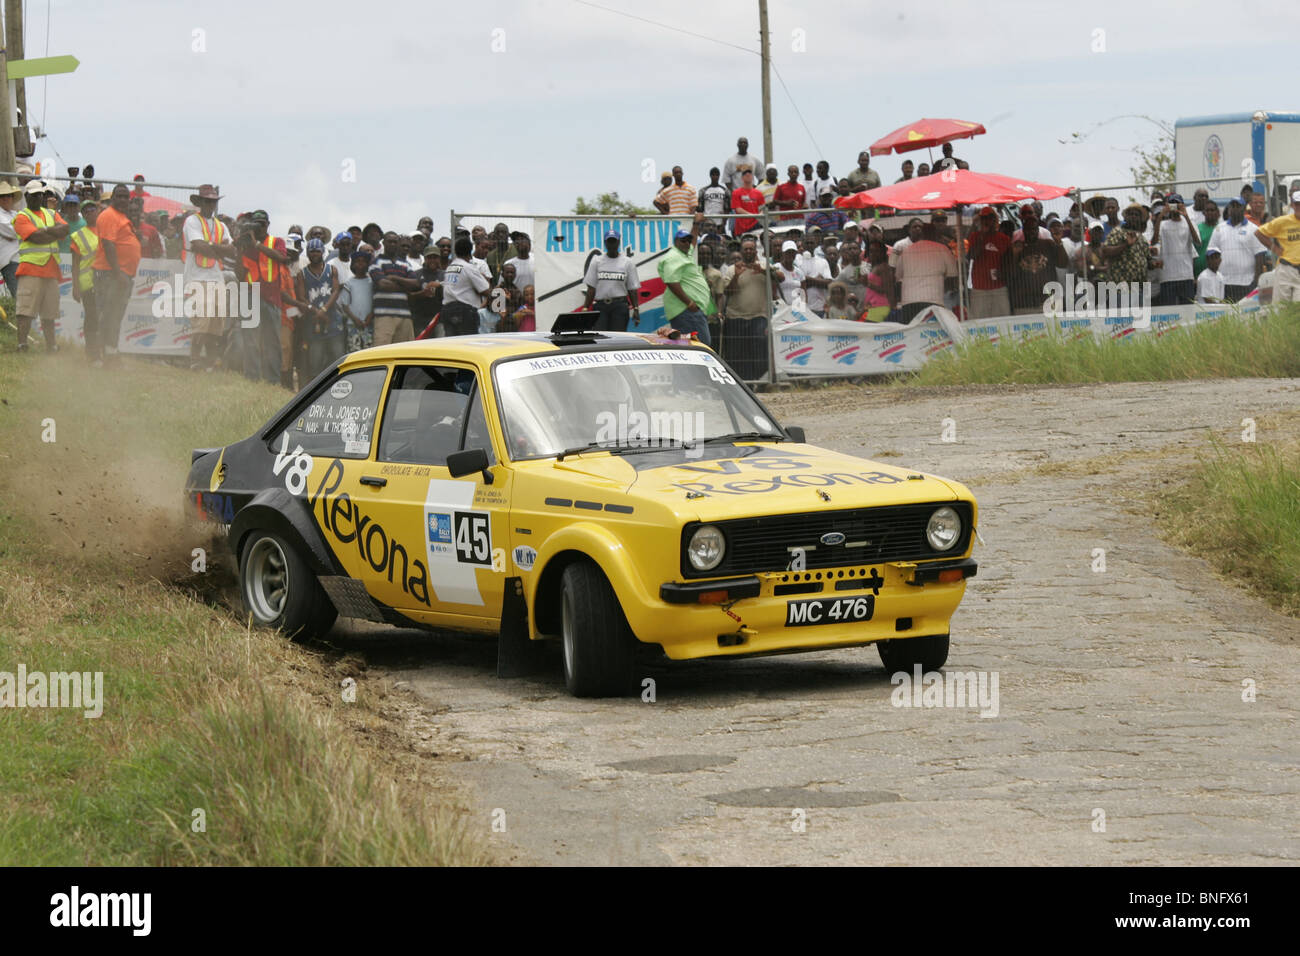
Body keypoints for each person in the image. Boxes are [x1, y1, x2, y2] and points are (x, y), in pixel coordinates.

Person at [11, 179, 70, 354]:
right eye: (35, 195)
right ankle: (22, 345)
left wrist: (44, 232)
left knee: (49, 313)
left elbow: (65, 230)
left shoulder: (50, 213)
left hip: (51, 270)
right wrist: (52, 231)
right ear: (27, 196)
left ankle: (51, 346)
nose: (38, 198)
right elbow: (36, 238)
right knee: (26, 311)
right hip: (30, 269)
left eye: (41, 194)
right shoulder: (21, 217)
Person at [182, 184, 237, 371]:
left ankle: (210, 362)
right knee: (201, 322)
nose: (210, 204)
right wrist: (218, 248)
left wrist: (212, 246)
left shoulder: (221, 225)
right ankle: (195, 360)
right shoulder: (192, 221)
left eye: (213, 201)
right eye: (207, 201)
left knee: (216, 323)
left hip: (216, 277)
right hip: (197, 277)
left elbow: (232, 249)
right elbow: (198, 246)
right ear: (200, 202)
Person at [236, 209, 293, 384]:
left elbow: (282, 258)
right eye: (255, 224)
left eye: (261, 224)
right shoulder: (245, 244)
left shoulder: (276, 241)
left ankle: (272, 381)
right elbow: (239, 274)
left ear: (268, 225)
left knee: (272, 342)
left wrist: (257, 245)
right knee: (250, 340)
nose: (258, 227)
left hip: (272, 299)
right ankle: (252, 378)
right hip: (250, 296)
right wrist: (239, 250)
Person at [89, 184, 139, 360]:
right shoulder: (109, 215)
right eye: (120, 196)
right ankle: (98, 356)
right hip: (110, 275)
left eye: (126, 197)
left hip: (120, 275)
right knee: (106, 316)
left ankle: (110, 353)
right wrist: (118, 274)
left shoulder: (121, 217)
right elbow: (109, 245)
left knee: (115, 315)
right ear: (113, 198)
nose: (123, 200)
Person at [718, 237, 775, 379]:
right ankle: (740, 382)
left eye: (751, 249)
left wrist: (762, 271)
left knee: (760, 349)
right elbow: (728, 292)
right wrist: (736, 276)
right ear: (741, 252)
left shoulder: (764, 265)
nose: (748, 251)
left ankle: (760, 381)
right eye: (746, 249)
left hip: (759, 316)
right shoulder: (732, 270)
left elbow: (780, 278)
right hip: (736, 317)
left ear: (756, 251)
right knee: (737, 353)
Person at [657, 213, 714, 344]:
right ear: (676, 242)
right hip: (686, 311)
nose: (687, 243)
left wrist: (696, 224)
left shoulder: (684, 254)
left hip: (691, 312)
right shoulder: (673, 257)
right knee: (699, 346)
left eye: (688, 240)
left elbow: (693, 242)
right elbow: (671, 282)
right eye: (683, 240)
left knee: (698, 345)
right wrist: (689, 303)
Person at [1005, 209, 1067, 315]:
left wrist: (1059, 243)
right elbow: (1009, 275)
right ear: (1023, 231)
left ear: (1038, 230)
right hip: (1024, 304)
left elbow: (1063, 264)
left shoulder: (1048, 244)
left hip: (1048, 301)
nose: (1031, 232)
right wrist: (1015, 255)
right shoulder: (1016, 247)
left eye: (1034, 229)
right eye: (1028, 229)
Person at [299, 238, 344, 377]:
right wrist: (316, 311)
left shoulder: (332, 270)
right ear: (307, 253)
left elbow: (336, 291)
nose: (314, 254)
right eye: (311, 251)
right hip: (314, 322)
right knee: (315, 362)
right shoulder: (302, 273)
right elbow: (301, 297)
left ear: (323, 252)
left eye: (317, 251)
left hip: (333, 321)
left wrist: (324, 310)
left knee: (338, 360)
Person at [368, 231, 421, 345]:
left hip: (405, 316)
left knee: (404, 354)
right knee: (381, 352)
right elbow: (383, 284)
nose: (392, 244)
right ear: (384, 243)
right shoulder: (376, 262)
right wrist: (405, 287)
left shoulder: (405, 264)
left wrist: (394, 278)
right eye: (390, 241)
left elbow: (416, 284)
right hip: (384, 316)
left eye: (395, 242)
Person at [1101, 203, 1159, 306]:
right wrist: (1126, 245)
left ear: (1140, 219)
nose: (1133, 216)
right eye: (1131, 214)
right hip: (1120, 289)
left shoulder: (1141, 238)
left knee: (1139, 321)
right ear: (1126, 217)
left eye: (1136, 215)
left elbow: (1147, 259)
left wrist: (1154, 263)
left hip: (1139, 290)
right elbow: (1106, 251)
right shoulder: (1117, 232)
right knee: (1120, 321)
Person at [895, 224, 956, 322]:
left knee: (911, 333)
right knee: (930, 334)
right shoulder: (943, 249)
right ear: (936, 234)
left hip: (909, 302)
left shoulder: (906, 251)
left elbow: (898, 277)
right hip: (933, 301)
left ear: (921, 234)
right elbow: (952, 276)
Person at [582, 230, 640, 332]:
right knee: (600, 337)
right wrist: (585, 307)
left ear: (618, 242)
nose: (611, 244)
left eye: (614, 241)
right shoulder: (597, 261)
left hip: (620, 306)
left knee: (618, 338)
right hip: (600, 306)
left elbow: (632, 289)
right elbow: (591, 287)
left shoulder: (627, 262)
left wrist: (636, 308)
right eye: (609, 241)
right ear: (605, 243)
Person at [1210, 199, 1264, 301]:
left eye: (1238, 206)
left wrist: (1256, 281)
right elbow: (1211, 254)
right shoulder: (1219, 228)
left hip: (1247, 283)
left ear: (1244, 209)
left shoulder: (1253, 229)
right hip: (1224, 283)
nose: (1235, 209)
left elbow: (1260, 257)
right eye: (1232, 206)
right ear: (1229, 209)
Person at [1151, 193, 1200, 305]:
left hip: (1186, 275)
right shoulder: (1163, 225)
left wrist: (1186, 216)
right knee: (1169, 310)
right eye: (1172, 204)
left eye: (1177, 204)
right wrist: (1161, 215)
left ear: (1182, 205)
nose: (1175, 206)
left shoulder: (1190, 223)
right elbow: (1153, 241)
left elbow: (1197, 241)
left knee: (1188, 310)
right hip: (1167, 277)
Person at [1254, 188, 1300, 303]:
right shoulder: (1283, 221)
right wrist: (1273, 247)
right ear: (1292, 205)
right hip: (1286, 268)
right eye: (1297, 204)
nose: (1299, 207)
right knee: (1281, 308)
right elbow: (1259, 233)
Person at [966, 206, 1012, 319]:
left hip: (999, 288)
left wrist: (1003, 273)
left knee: (1003, 320)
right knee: (978, 321)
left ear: (995, 219)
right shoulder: (974, 236)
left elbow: (1009, 262)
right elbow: (972, 256)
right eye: (984, 218)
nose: (987, 221)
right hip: (979, 288)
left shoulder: (1004, 239)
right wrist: (982, 236)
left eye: (990, 218)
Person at [441, 236, 491, 335]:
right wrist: (484, 278)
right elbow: (486, 290)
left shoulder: (450, 268)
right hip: (464, 312)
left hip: (447, 310)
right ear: (470, 251)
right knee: (467, 344)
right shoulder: (469, 268)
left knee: (453, 345)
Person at [338, 249, 374, 353]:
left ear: (367, 264)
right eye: (357, 261)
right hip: (353, 324)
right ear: (353, 264)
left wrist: (370, 316)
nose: (360, 264)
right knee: (354, 351)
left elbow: (375, 303)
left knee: (369, 353)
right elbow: (345, 305)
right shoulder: (349, 283)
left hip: (368, 324)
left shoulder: (371, 282)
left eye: (363, 261)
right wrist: (355, 319)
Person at [410, 246, 444, 337]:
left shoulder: (445, 275)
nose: (432, 260)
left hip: (439, 319)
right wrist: (422, 294)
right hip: (420, 319)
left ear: (439, 258)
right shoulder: (415, 274)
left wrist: (440, 286)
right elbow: (408, 296)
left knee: (440, 345)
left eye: (435, 257)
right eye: (429, 257)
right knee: (420, 347)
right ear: (425, 259)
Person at [0, 181, 22, 299]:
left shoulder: (14, 214)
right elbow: (16, 232)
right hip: (9, 261)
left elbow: (19, 231)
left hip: (20, 259)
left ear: (12, 198)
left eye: (8, 195)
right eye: (2, 196)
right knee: (19, 297)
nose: (5, 198)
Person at [729, 168, 765, 237]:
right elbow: (738, 209)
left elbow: (762, 208)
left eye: (750, 175)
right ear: (742, 178)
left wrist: (759, 215)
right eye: (745, 175)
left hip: (755, 225)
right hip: (741, 227)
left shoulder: (758, 193)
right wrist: (753, 215)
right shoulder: (736, 193)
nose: (748, 176)